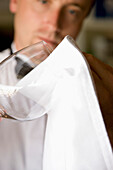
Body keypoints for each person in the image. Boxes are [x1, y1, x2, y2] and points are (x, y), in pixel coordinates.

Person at [0, 0, 113, 169]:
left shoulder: (103, 90)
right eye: (43, 1)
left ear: (83, 19)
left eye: (72, 11)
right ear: (15, 2)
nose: (54, 24)